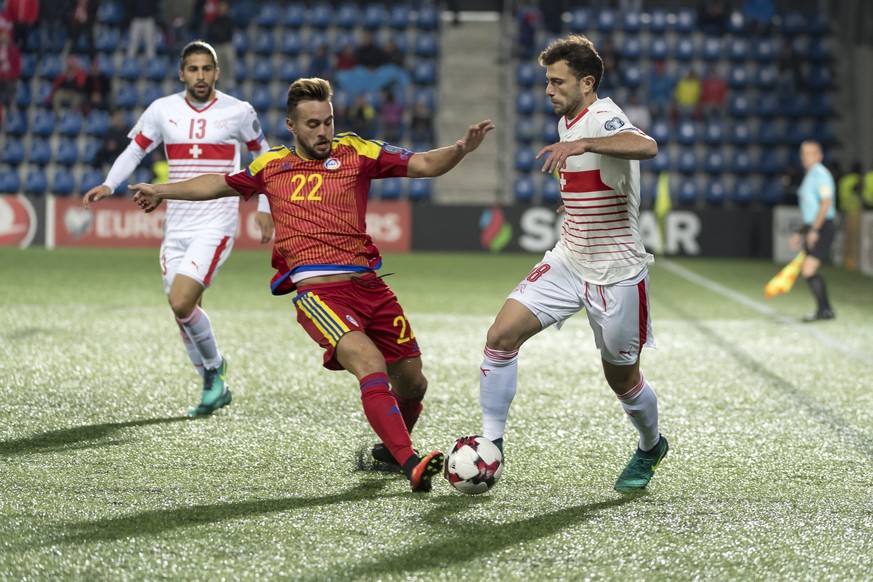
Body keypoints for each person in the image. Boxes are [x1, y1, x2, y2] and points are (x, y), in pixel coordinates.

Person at [129, 76, 494, 493]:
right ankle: (409, 460)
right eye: (313, 125)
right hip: (319, 294)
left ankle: (388, 449)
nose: (323, 132)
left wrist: (461, 149)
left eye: (328, 121)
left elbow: (425, 165)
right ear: (292, 125)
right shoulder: (271, 166)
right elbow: (217, 183)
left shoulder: (357, 152)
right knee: (369, 364)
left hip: (370, 287)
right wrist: (161, 189)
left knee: (413, 382)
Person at [477, 34, 667, 492]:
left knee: (622, 380)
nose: (548, 90)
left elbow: (647, 146)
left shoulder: (602, 117)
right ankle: (490, 447)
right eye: (547, 81)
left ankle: (650, 445)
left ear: (587, 83)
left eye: (557, 82)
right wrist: (576, 203)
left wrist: (584, 146)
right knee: (501, 337)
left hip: (617, 273)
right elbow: (597, 178)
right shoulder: (570, 119)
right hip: (568, 259)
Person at [82, 41, 275, 416]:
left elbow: (263, 158)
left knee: (181, 301)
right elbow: (136, 150)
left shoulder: (238, 111)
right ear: (181, 73)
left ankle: (215, 368)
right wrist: (110, 183)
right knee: (184, 312)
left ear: (216, 72)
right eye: (193, 69)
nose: (200, 76)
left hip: (216, 221)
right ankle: (212, 386)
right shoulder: (162, 110)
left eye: (207, 69)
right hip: (177, 225)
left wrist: (264, 205)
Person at [790, 140, 836, 322]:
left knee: (808, 269)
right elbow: (810, 211)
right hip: (814, 227)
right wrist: (800, 232)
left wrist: (815, 230)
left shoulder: (820, 174)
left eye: (810, 153)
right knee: (806, 269)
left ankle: (825, 310)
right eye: (803, 153)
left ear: (819, 156)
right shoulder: (809, 175)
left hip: (823, 226)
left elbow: (826, 204)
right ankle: (825, 309)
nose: (805, 157)